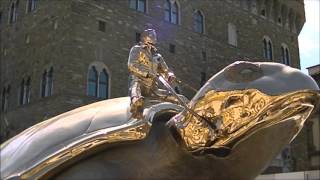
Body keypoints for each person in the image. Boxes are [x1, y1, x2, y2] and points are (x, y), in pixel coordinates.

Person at [128, 29, 176, 118]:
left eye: (155, 36)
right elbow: (132, 65)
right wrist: (147, 73)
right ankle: (135, 101)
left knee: (174, 97)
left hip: (153, 88)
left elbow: (165, 69)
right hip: (140, 82)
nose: (154, 37)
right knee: (136, 85)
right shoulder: (137, 49)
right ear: (145, 37)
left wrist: (169, 74)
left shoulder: (157, 56)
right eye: (152, 35)